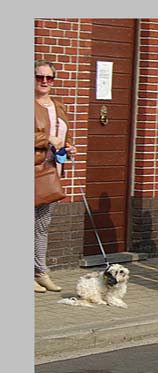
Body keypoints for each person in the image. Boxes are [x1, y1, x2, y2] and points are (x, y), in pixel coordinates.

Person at [34, 60, 78, 294]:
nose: (44, 81)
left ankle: (41, 272)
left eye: (49, 78)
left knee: (42, 226)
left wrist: (68, 147)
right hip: (32, 172)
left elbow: (63, 135)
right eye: (39, 77)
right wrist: (46, 139)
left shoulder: (59, 106)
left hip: (52, 172)